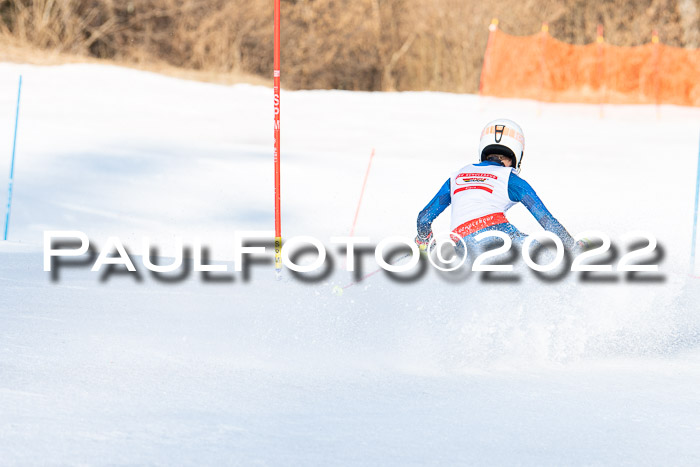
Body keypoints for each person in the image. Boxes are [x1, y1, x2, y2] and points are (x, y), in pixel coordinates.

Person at [415, 118, 576, 254]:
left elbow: (424, 219)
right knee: (549, 252)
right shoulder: (510, 180)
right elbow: (547, 221)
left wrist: (424, 242)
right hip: (501, 238)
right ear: (517, 154)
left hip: (463, 248)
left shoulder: (456, 176)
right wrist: (572, 247)